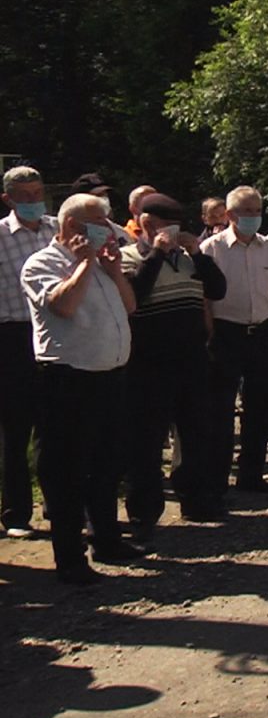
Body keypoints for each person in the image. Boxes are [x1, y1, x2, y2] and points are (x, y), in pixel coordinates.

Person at [22, 193, 139, 582]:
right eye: (97, 223)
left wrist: (115, 271)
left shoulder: (104, 264)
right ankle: (70, 559)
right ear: (72, 226)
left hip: (109, 376)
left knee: (107, 464)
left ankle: (107, 539)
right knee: (68, 471)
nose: (106, 230)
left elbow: (129, 307)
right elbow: (63, 306)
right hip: (69, 379)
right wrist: (85, 262)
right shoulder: (42, 263)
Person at [119, 193, 229, 534]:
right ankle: (144, 510)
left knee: (195, 433)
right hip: (149, 363)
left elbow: (218, 289)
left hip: (192, 358)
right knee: (147, 440)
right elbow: (135, 295)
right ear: (147, 226)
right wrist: (157, 253)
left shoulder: (190, 259)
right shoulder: (126, 257)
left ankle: (196, 499)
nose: (171, 233)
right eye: (164, 226)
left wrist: (197, 253)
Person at [202, 186, 268, 495]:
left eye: (257, 211)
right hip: (226, 334)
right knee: (221, 409)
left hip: (263, 333)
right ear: (229, 216)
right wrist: (210, 333)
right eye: (246, 212)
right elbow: (204, 298)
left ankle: (251, 475)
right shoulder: (211, 249)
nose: (254, 217)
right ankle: (216, 478)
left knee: (261, 407)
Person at [0, 167, 57, 538]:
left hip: (58, 334)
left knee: (58, 427)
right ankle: (16, 513)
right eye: (25, 196)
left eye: (38, 194)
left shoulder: (59, 229)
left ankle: (60, 505)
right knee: (15, 429)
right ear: (8, 199)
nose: (34, 202)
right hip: (13, 336)